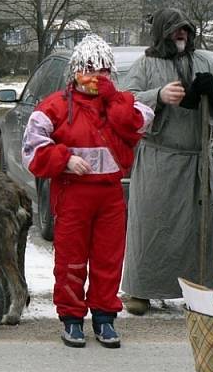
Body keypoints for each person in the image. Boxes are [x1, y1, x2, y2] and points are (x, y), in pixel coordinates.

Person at [21, 34, 153, 348]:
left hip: (110, 194)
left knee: (108, 259)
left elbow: (136, 127)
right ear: (76, 71)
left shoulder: (122, 104)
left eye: (104, 71)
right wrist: (64, 160)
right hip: (72, 194)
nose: (96, 77)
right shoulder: (52, 107)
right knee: (71, 259)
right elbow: (31, 151)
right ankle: (71, 319)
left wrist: (113, 99)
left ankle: (105, 320)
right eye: (90, 69)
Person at [121, 8, 213, 316]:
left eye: (185, 29)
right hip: (159, 160)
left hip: (197, 162)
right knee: (151, 226)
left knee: (198, 230)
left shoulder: (204, 62)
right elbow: (124, 102)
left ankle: (201, 291)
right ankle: (140, 290)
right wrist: (158, 95)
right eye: (175, 31)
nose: (181, 35)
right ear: (162, 33)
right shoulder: (144, 65)